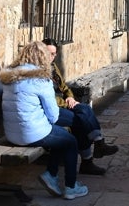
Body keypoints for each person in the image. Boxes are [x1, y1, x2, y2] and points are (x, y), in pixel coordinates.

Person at [0, 41, 88, 200]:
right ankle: (70, 187)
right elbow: (54, 117)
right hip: (32, 135)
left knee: (61, 136)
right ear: (42, 57)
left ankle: (51, 176)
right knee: (71, 142)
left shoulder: (9, 77)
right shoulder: (42, 80)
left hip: (13, 135)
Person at [42, 38, 118, 175]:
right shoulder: (38, 72)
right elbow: (47, 98)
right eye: (48, 53)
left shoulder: (53, 67)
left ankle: (95, 149)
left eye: (54, 54)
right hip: (52, 109)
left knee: (83, 113)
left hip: (62, 104)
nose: (51, 57)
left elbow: (64, 86)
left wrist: (70, 96)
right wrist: (66, 103)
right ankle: (93, 152)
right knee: (82, 116)